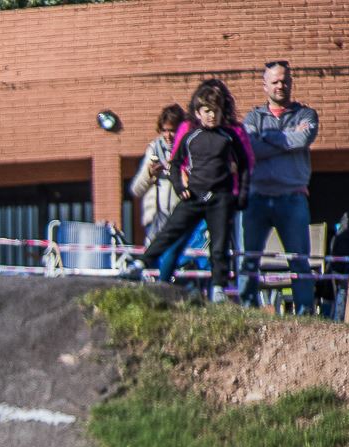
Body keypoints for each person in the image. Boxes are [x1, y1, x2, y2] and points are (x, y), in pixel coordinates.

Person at [130, 81, 250, 303]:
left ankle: (218, 288)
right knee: (170, 232)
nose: (211, 116)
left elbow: (244, 165)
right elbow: (175, 163)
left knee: (219, 244)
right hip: (193, 195)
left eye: (216, 111)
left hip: (220, 198)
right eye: (207, 111)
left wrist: (240, 196)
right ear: (198, 113)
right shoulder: (190, 135)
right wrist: (180, 187)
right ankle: (141, 264)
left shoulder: (229, 136)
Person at [238, 61, 320, 314]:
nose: (280, 86)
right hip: (257, 199)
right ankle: (248, 312)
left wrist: (268, 139)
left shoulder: (306, 115)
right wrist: (286, 139)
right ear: (265, 86)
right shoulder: (252, 117)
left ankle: (305, 314)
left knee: (299, 262)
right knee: (248, 261)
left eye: (284, 81)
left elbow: (303, 138)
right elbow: (250, 148)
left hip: (292, 199)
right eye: (274, 81)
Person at [130, 104, 184, 245]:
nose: (168, 136)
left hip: (182, 221)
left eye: (172, 131)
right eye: (164, 131)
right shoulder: (154, 150)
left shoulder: (189, 149)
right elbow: (136, 190)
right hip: (156, 224)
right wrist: (150, 173)